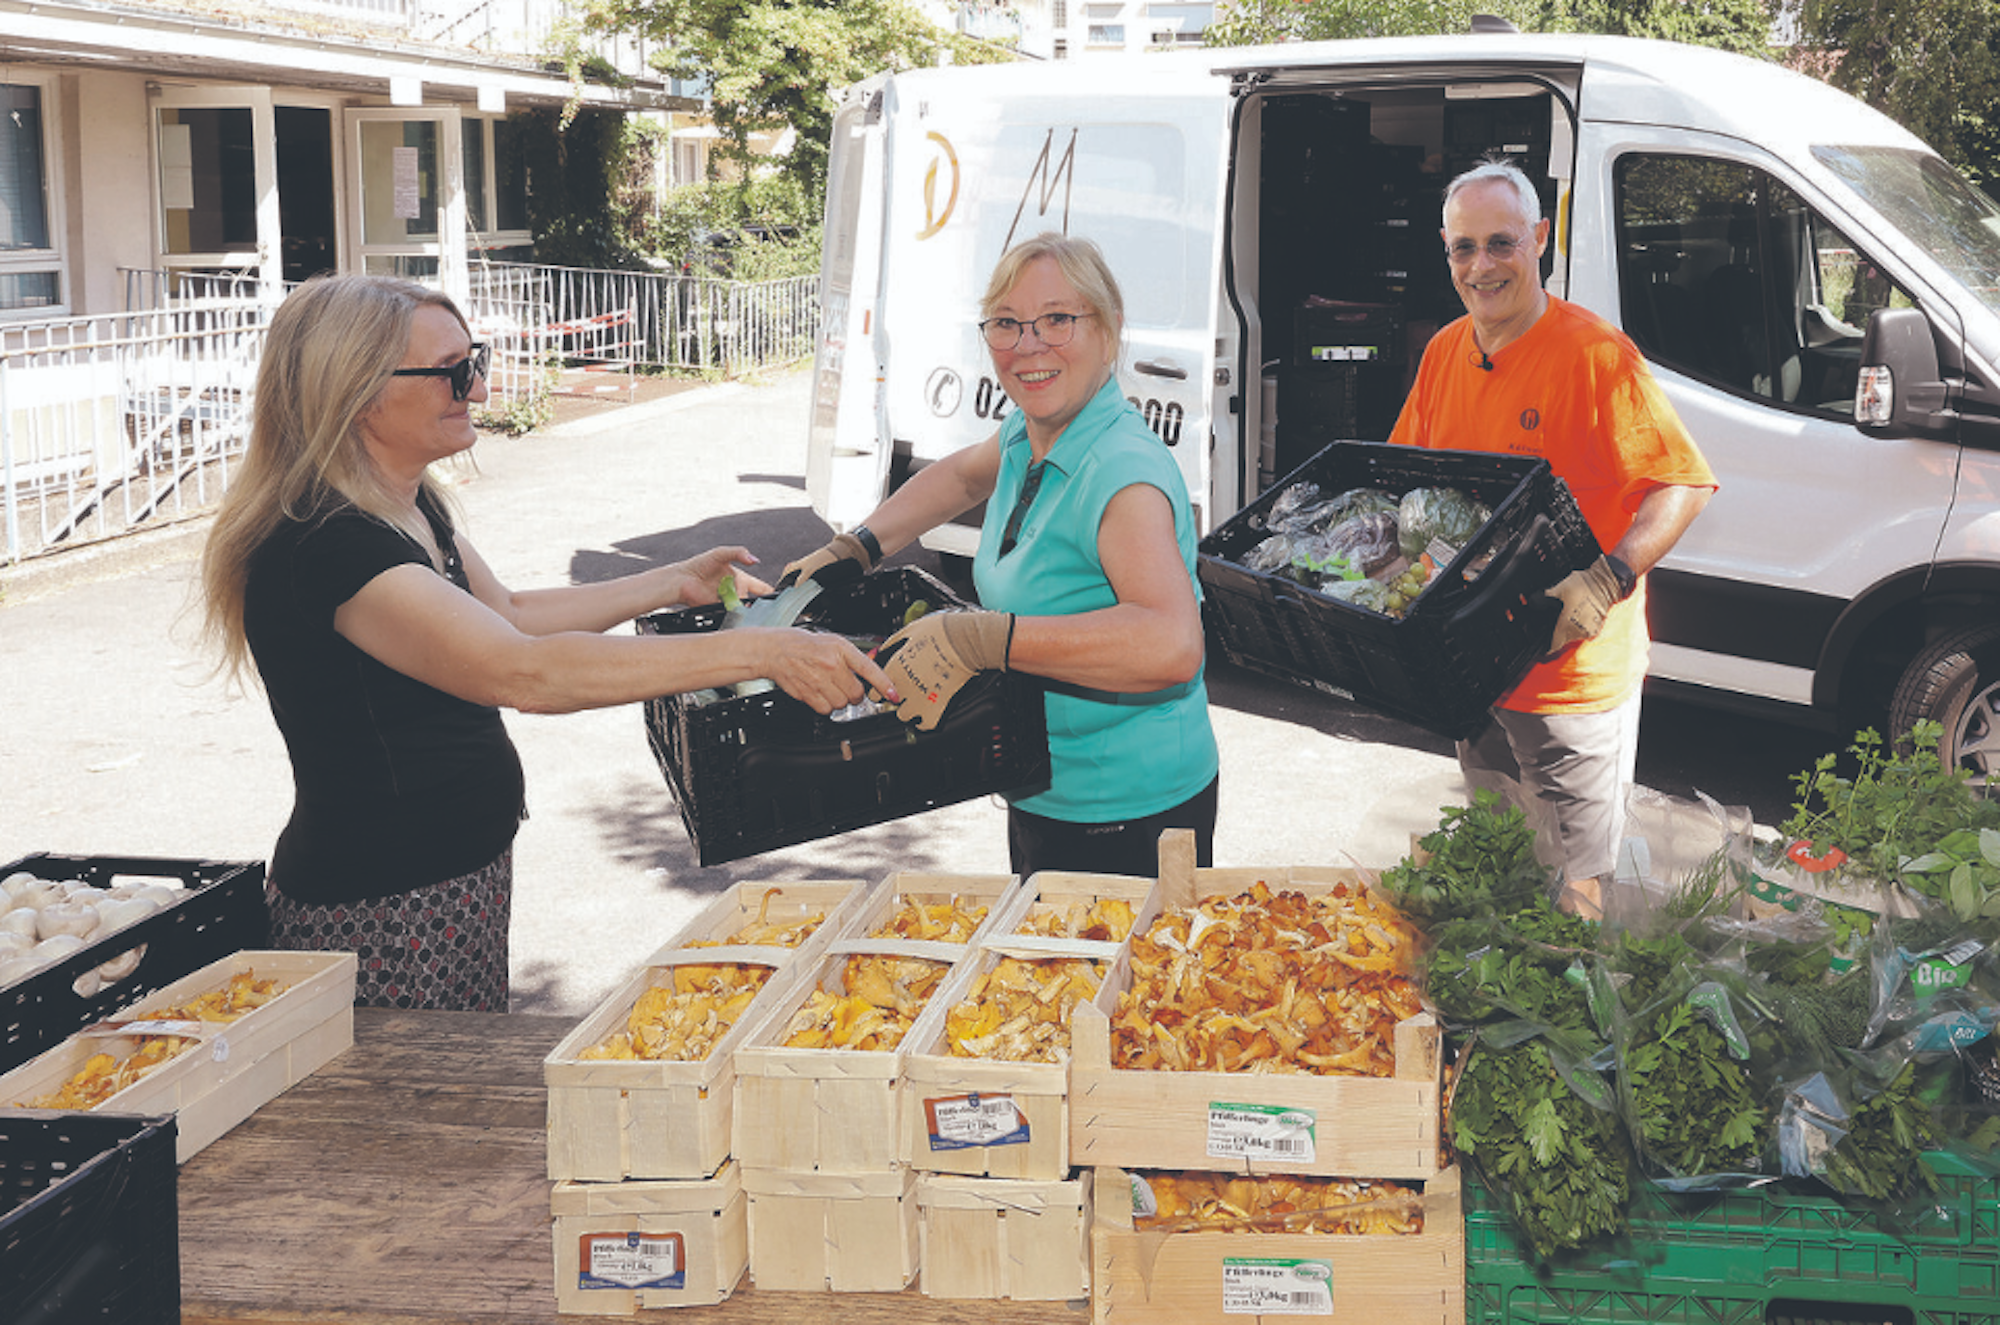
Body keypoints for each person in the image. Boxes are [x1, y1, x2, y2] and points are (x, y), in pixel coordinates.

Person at [199, 274, 891, 1011]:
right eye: (451, 373)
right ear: (356, 390)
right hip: (384, 908)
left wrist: (671, 581)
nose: (478, 390)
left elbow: (511, 614)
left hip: (451, 882)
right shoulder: (327, 545)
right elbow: (524, 671)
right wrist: (763, 652)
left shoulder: (406, 505)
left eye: (476, 363)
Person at [783, 233, 1219, 879]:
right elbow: (962, 477)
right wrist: (857, 546)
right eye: (1007, 323)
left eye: (1058, 319)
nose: (1029, 345)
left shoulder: (1122, 473)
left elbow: (1172, 645)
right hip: (1043, 786)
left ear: (1109, 330)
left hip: (1129, 808)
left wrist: (978, 639)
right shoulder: (1033, 429)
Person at [1388, 159, 1717, 919]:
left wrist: (1607, 578)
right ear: (1446, 251)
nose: (1482, 266)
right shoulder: (1445, 353)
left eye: (1501, 243)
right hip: (1475, 673)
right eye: (1464, 248)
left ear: (1540, 239)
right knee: (1498, 875)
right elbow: (1410, 484)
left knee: (1576, 894)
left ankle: (1579, 985)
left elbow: (1683, 483)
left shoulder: (1595, 357)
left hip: (1570, 682)